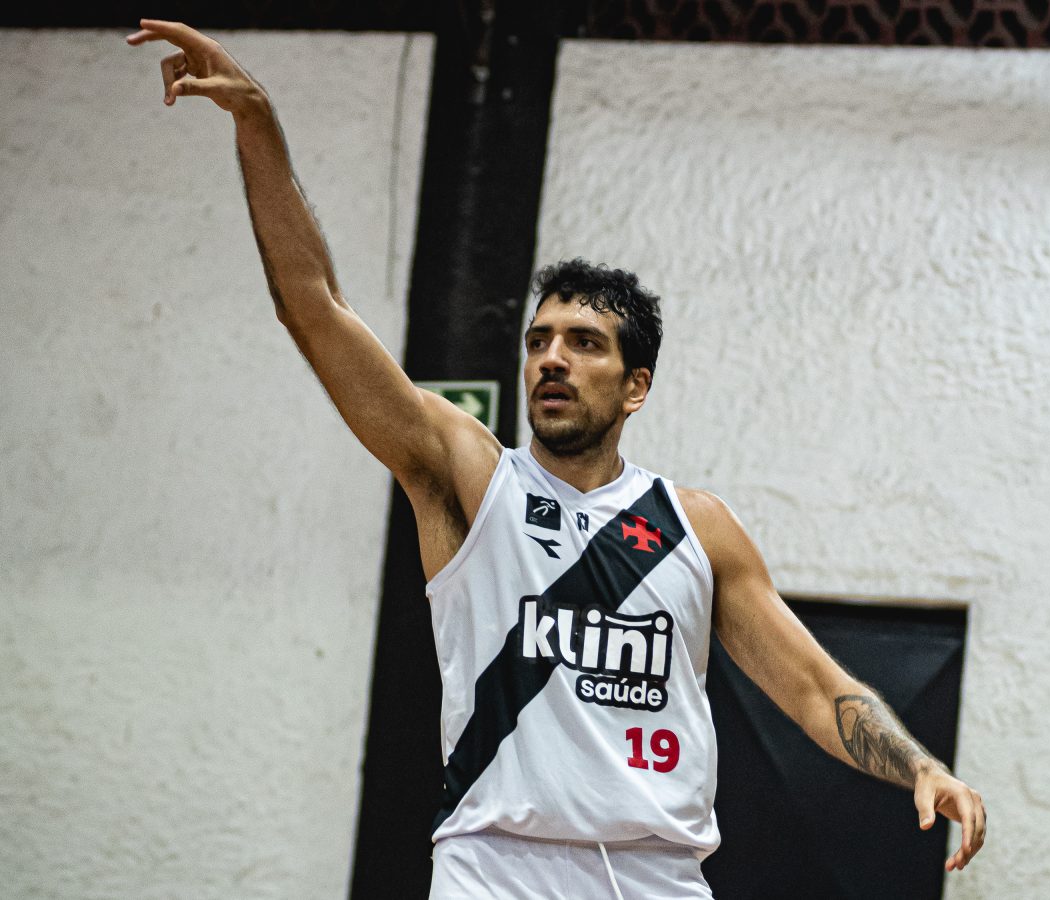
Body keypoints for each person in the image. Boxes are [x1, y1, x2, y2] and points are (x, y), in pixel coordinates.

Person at [127, 19, 987, 898]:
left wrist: (921, 765)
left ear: (636, 386)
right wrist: (260, 127)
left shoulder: (698, 528)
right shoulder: (470, 478)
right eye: (540, 340)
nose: (552, 359)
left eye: (583, 343)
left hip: (656, 873)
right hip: (497, 867)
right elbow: (312, 306)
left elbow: (812, 689)